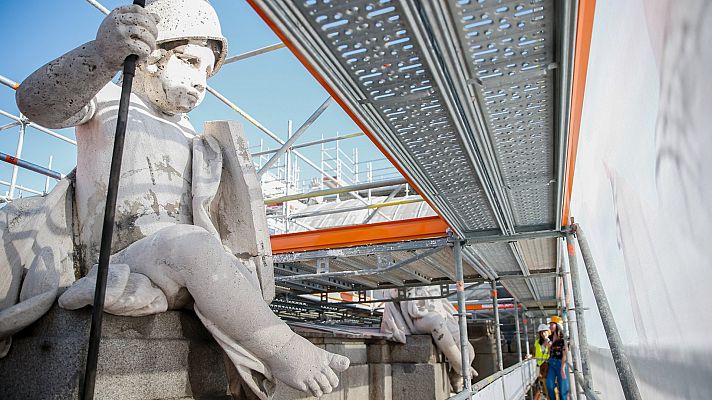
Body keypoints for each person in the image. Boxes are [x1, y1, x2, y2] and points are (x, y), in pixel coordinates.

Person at [11, 1, 348, 398]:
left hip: (184, 263)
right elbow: (37, 104)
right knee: (190, 245)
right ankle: (285, 350)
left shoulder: (196, 139)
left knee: (213, 262)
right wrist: (101, 54)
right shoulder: (107, 102)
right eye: (189, 61)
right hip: (121, 258)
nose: (201, 81)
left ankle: (269, 359)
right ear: (149, 55)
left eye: (207, 71)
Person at [546, 316, 569, 400]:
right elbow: (546, 344)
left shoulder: (564, 339)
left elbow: (564, 354)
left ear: (557, 325)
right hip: (551, 363)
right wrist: (548, 343)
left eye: (552, 324)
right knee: (549, 384)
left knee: (563, 390)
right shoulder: (550, 337)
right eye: (550, 325)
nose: (550, 326)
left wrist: (563, 367)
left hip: (561, 364)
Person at [533, 324, 550, 400]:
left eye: (544, 332)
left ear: (548, 332)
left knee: (549, 384)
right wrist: (530, 355)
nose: (543, 334)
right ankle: (546, 396)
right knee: (541, 383)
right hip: (540, 366)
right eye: (541, 332)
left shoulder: (551, 341)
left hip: (549, 366)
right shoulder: (537, 342)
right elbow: (534, 353)